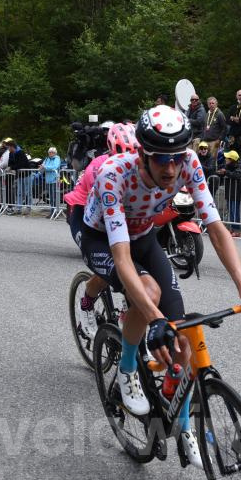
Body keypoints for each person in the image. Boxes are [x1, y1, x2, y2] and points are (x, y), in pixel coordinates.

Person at [80, 105, 241, 468]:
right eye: (160, 160)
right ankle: (126, 370)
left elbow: (216, 228)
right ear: (142, 154)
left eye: (175, 159)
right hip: (101, 237)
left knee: (182, 336)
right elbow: (122, 259)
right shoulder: (114, 175)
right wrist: (153, 319)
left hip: (142, 233)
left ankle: (183, 426)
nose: (170, 169)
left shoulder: (188, 162)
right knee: (149, 295)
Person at [66, 123, 137, 330]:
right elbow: (100, 208)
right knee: (110, 266)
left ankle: (128, 308)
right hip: (82, 211)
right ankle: (86, 305)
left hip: (113, 215)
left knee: (132, 266)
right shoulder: (99, 166)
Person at [216, 150, 241, 236]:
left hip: (237, 192)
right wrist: (220, 172)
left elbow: (238, 175)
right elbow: (224, 172)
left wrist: (226, 172)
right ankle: (232, 229)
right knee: (231, 211)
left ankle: (237, 230)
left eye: (227, 158)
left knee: (235, 211)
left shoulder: (240, 165)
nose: (225, 159)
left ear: (232, 159)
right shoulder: (227, 165)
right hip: (229, 191)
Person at [202, 96, 227, 169]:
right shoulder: (207, 114)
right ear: (207, 105)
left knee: (212, 160)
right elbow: (204, 126)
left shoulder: (219, 114)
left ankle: (213, 176)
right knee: (205, 159)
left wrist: (219, 139)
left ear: (216, 104)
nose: (211, 105)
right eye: (209, 103)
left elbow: (224, 128)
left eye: (213, 103)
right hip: (205, 141)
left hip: (214, 141)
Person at [41, 146, 62, 213]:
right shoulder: (47, 159)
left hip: (54, 180)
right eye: (49, 152)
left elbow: (55, 167)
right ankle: (52, 211)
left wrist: (45, 167)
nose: (50, 153)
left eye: (52, 152)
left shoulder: (57, 158)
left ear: (55, 153)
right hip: (48, 180)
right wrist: (41, 168)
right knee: (51, 197)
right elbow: (43, 166)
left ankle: (54, 211)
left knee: (54, 197)